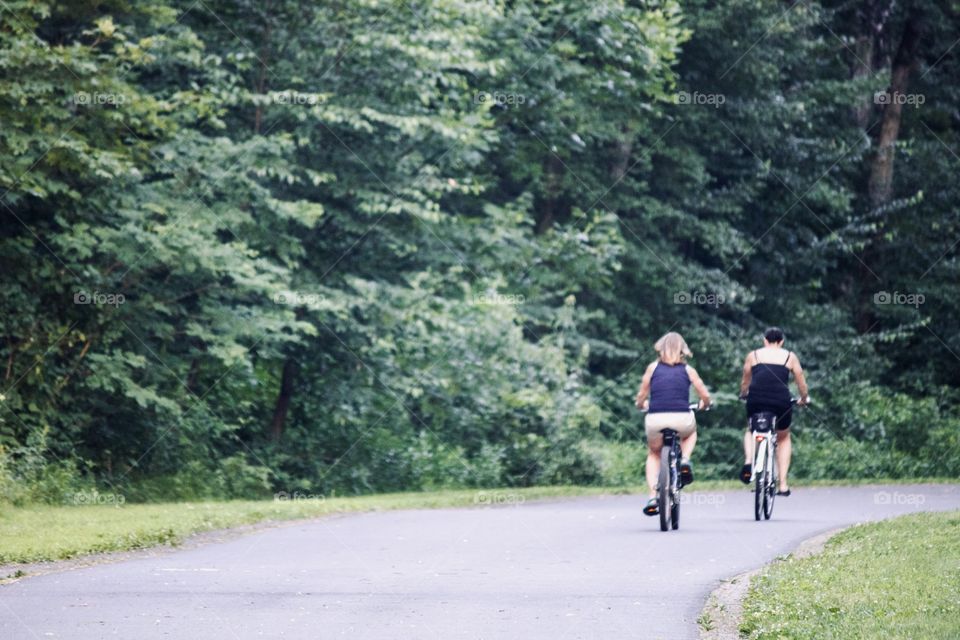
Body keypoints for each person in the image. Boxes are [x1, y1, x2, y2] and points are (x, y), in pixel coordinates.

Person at [634, 332, 711, 516]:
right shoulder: (688, 370)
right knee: (691, 433)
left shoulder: (652, 368)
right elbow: (705, 395)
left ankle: (653, 496)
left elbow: (642, 395)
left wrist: (641, 404)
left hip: (656, 419)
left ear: (660, 349)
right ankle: (684, 459)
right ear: (682, 351)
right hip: (682, 418)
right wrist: (704, 405)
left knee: (654, 453)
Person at [738, 327, 809, 496]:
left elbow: (745, 381)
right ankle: (783, 484)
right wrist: (804, 398)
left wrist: (743, 394)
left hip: (756, 400)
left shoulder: (753, 355)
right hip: (781, 401)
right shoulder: (789, 356)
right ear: (782, 341)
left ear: (764, 340)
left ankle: (749, 461)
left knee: (751, 430)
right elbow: (801, 382)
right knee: (783, 437)